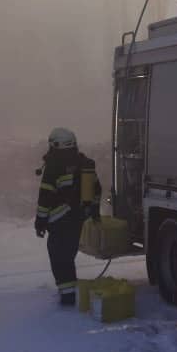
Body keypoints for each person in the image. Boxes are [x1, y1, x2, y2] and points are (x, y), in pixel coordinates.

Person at [34, 127, 101, 306]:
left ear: (56, 145)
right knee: (67, 256)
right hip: (79, 219)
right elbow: (97, 189)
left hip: (59, 220)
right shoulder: (85, 163)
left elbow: (45, 198)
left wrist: (40, 222)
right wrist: (94, 212)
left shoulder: (54, 166)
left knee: (58, 257)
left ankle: (68, 295)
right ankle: (69, 291)